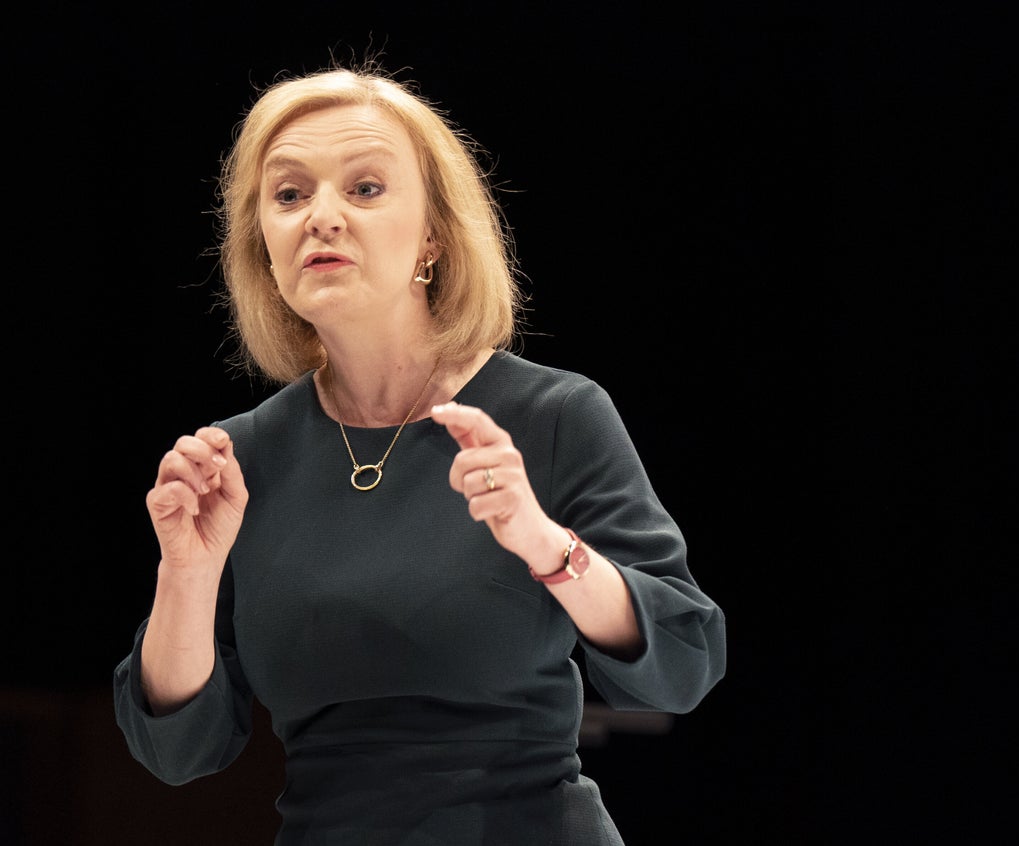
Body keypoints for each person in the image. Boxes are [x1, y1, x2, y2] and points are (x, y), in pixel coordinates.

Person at [113, 63, 726, 845]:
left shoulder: (554, 416)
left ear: (433, 235)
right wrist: (186, 577)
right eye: (290, 194)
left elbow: (684, 663)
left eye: (364, 189)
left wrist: (543, 544)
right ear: (262, 244)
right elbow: (178, 750)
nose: (321, 218)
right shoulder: (242, 459)